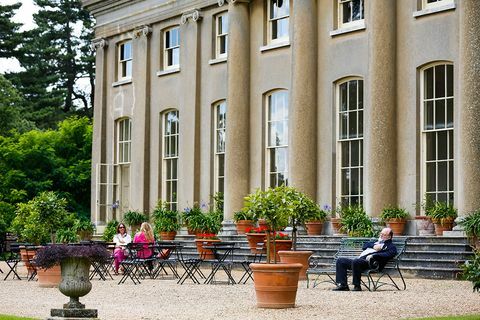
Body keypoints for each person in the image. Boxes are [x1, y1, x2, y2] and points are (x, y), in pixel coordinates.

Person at [333, 227, 397, 291]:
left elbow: (390, 254)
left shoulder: (390, 246)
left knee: (356, 261)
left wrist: (374, 255)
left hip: (372, 264)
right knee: (340, 261)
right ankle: (343, 285)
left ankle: (357, 286)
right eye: (381, 233)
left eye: (384, 234)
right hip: (360, 261)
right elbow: (364, 246)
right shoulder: (376, 242)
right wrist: (374, 246)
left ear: (389, 237)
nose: (381, 235)